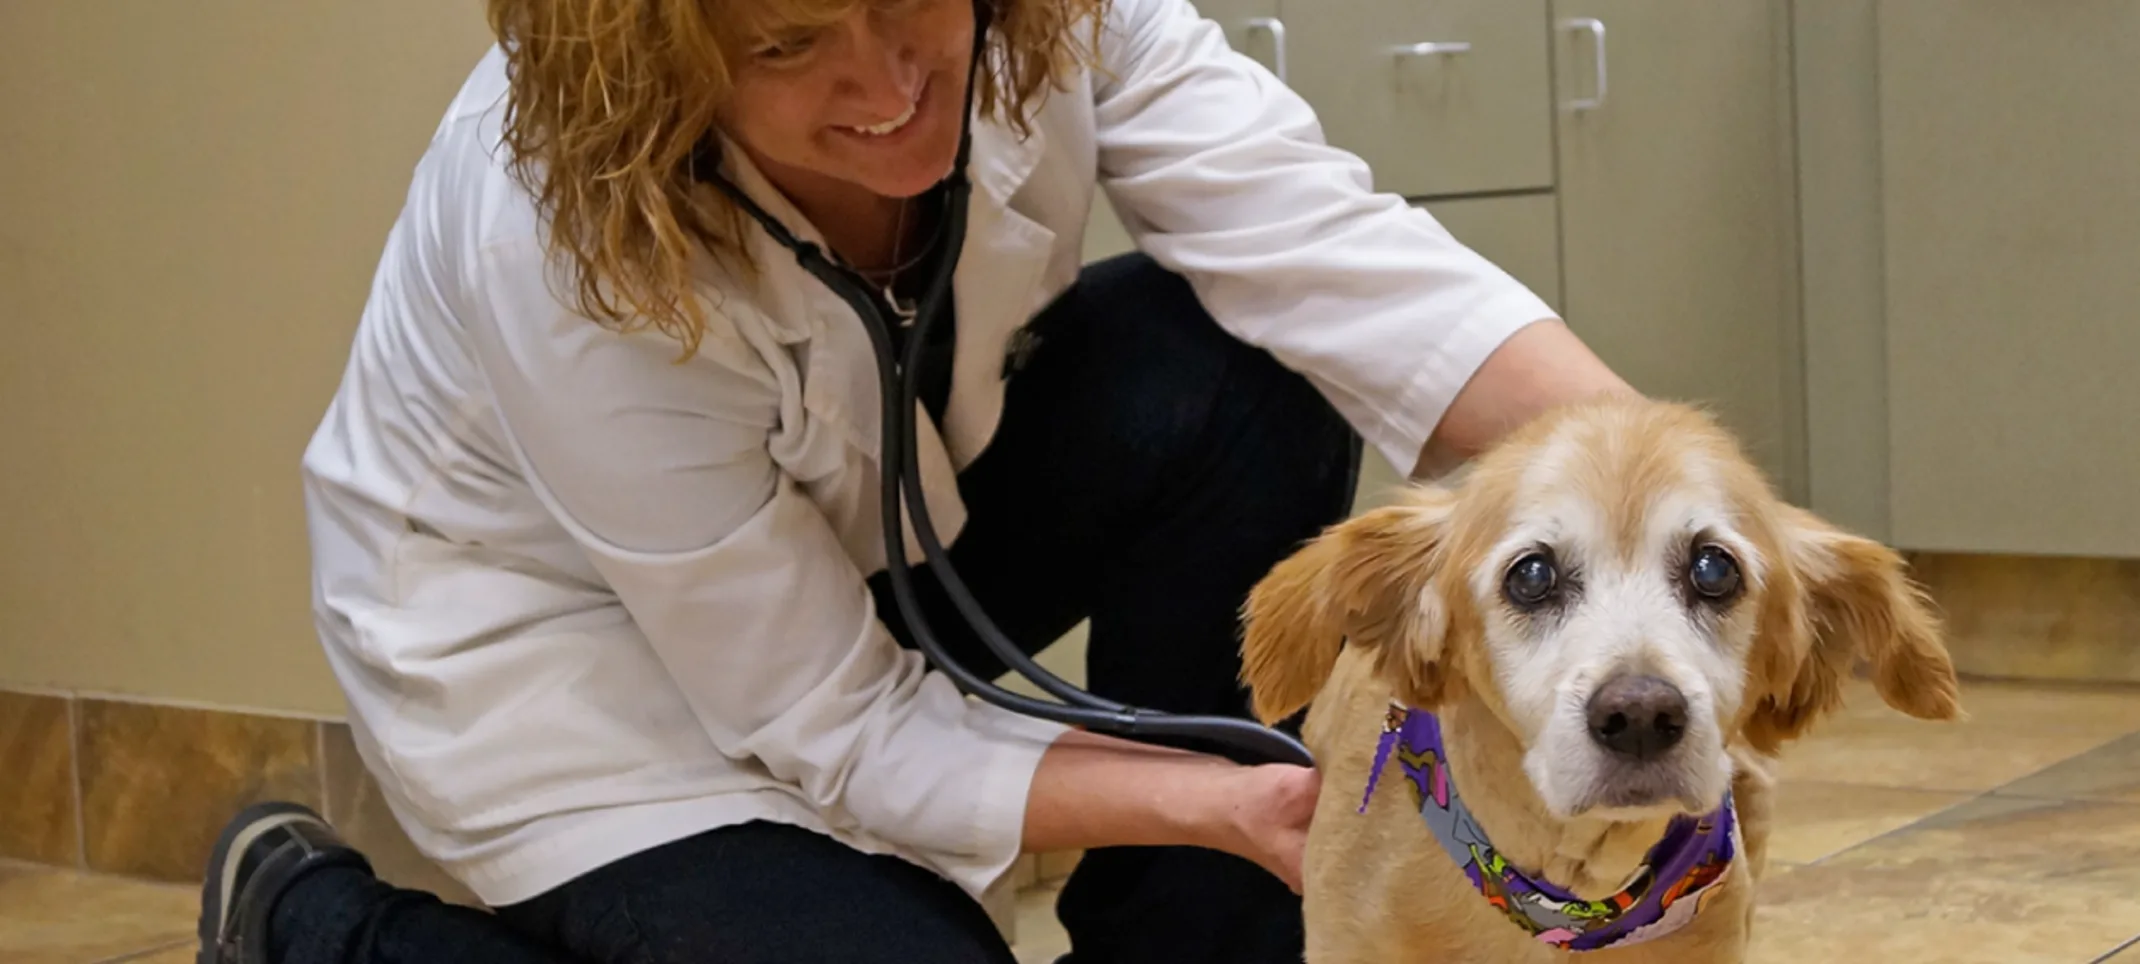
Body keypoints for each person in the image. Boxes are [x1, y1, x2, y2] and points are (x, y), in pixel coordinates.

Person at [198, 0, 1636, 960]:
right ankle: (316, 923)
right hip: (573, 672)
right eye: (786, 42)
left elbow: (1352, 272)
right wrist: (1227, 801)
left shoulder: (1061, 15)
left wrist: (1688, 528)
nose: (888, 85)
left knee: (1237, 370)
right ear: (666, 51)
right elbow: (831, 721)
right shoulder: (549, 234)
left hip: (880, 529)